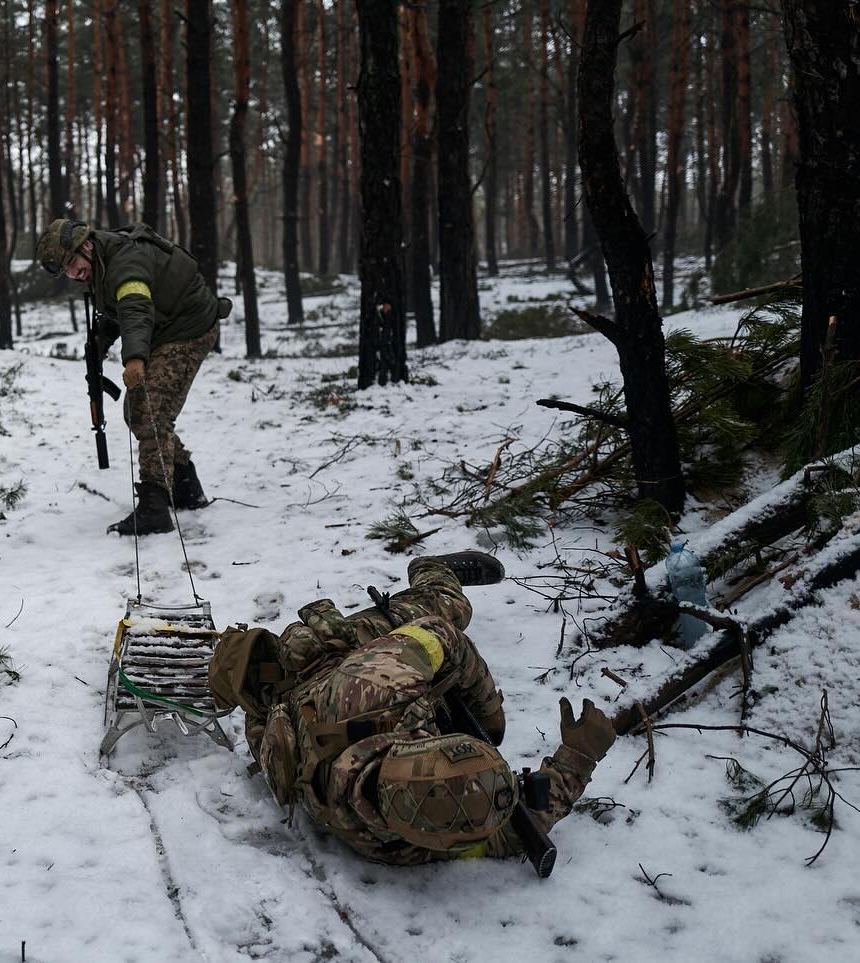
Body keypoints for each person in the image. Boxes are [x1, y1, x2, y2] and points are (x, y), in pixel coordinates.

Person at [208, 550, 616, 865]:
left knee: (445, 611)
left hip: (340, 667)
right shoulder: (417, 838)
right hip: (323, 700)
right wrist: (576, 756)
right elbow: (512, 832)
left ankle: (431, 570)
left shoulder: (373, 688)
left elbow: (441, 637)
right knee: (449, 609)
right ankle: (435, 574)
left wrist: (488, 722)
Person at [37, 218, 230, 536]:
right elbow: (117, 311)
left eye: (72, 263)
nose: (73, 274)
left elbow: (135, 308)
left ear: (86, 245)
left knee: (148, 410)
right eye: (66, 272)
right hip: (164, 329)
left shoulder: (126, 262)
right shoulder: (102, 260)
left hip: (189, 328)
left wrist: (135, 358)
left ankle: (155, 508)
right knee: (137, 412)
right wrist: (99, 342)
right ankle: (184, 485)